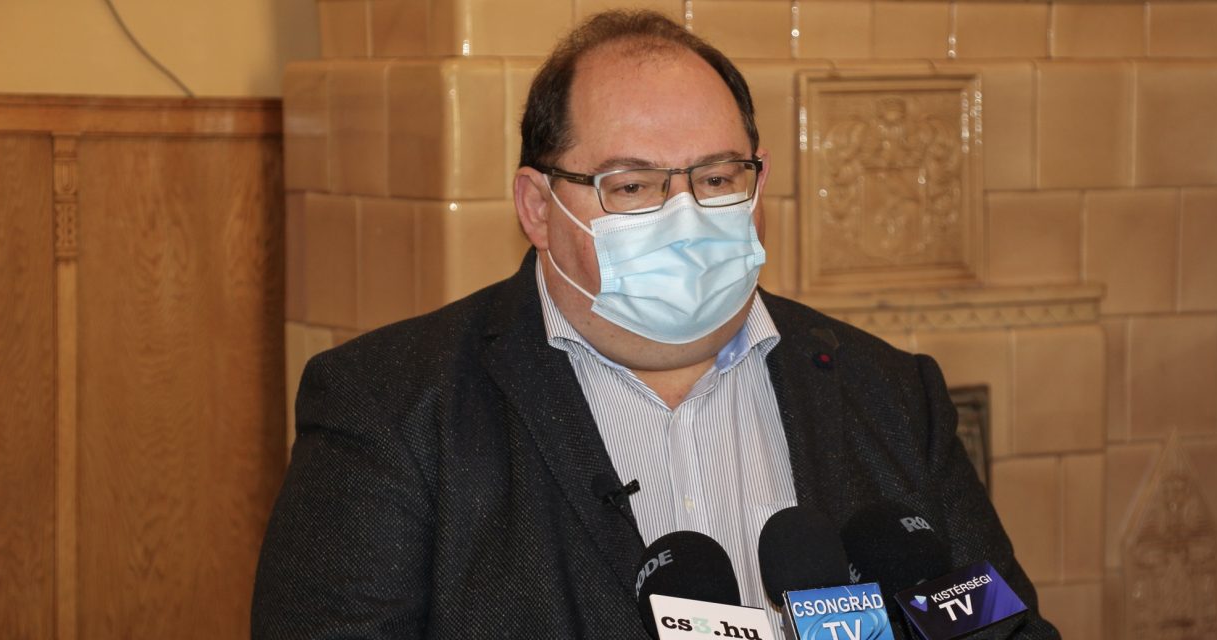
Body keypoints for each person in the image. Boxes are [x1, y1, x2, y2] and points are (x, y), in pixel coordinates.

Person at [252, 10, 1058, 639]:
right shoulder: (392, 409)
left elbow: (1004, 626)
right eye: (632, 186)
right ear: (538, 207)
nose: (687, 216)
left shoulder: (889, 393)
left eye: (717, 177)